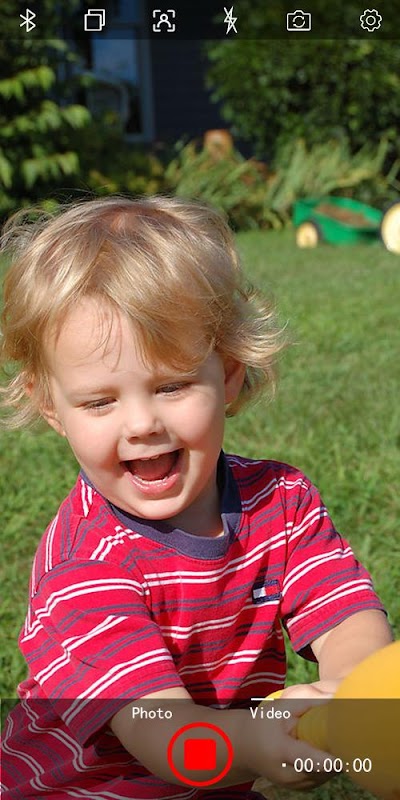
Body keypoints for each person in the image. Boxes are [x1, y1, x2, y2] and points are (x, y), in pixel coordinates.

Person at [0, 196, 392, 800]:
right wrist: (256, 744)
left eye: (172, 385)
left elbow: (345, 614)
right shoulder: (83, 567)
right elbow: (163, 734)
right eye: (100, 401)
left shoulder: (281, 502)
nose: (141, 424)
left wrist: (355, 693)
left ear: (228, 373)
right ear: (52, 406)